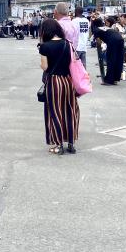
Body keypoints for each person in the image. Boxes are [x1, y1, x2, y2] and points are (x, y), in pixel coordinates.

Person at [39, 18, 80, 155]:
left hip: (54, 82)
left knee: (55, 112)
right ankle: (71, 143)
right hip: (68, 81)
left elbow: (45, 67)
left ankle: (58, 145)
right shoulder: (68, 44)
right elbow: (74, 62)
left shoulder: (45, 46)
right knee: (70, 110)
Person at [91, 17, 124, 85]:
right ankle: (116, 78)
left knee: (111, 59)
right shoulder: (105, 27)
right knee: (118, 59)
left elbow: (98, 42)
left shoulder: (96, 29)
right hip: (120, 38)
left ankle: (109, 80)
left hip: (112, 41)